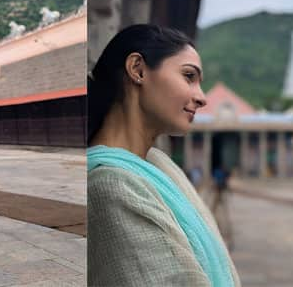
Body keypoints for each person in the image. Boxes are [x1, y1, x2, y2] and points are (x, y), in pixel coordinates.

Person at [87, 24, 240, 286]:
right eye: (189, 76)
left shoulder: (157, 165)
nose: (201, 98)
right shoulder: (111, 187)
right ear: (138, 69)